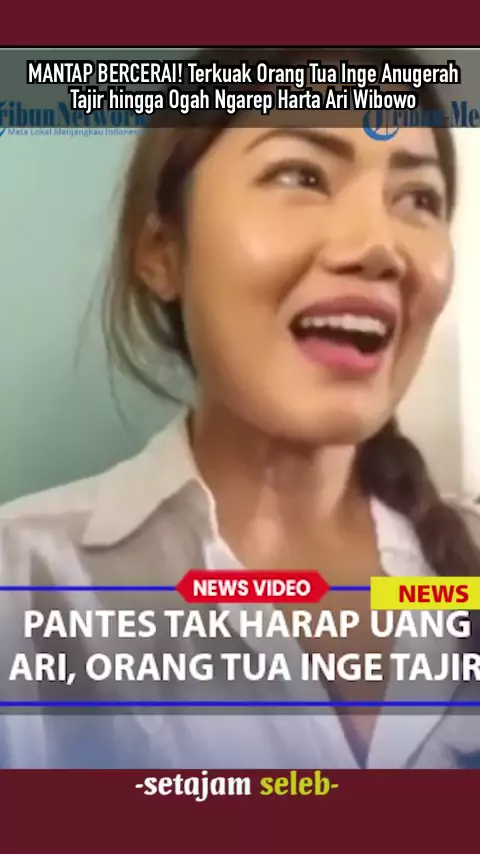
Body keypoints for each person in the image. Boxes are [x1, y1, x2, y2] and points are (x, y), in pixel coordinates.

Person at [1, 46, 480, 770]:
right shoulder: (25, 585)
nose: (381, 247)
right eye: (302, 175)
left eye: (418, 198)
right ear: (161, 251)